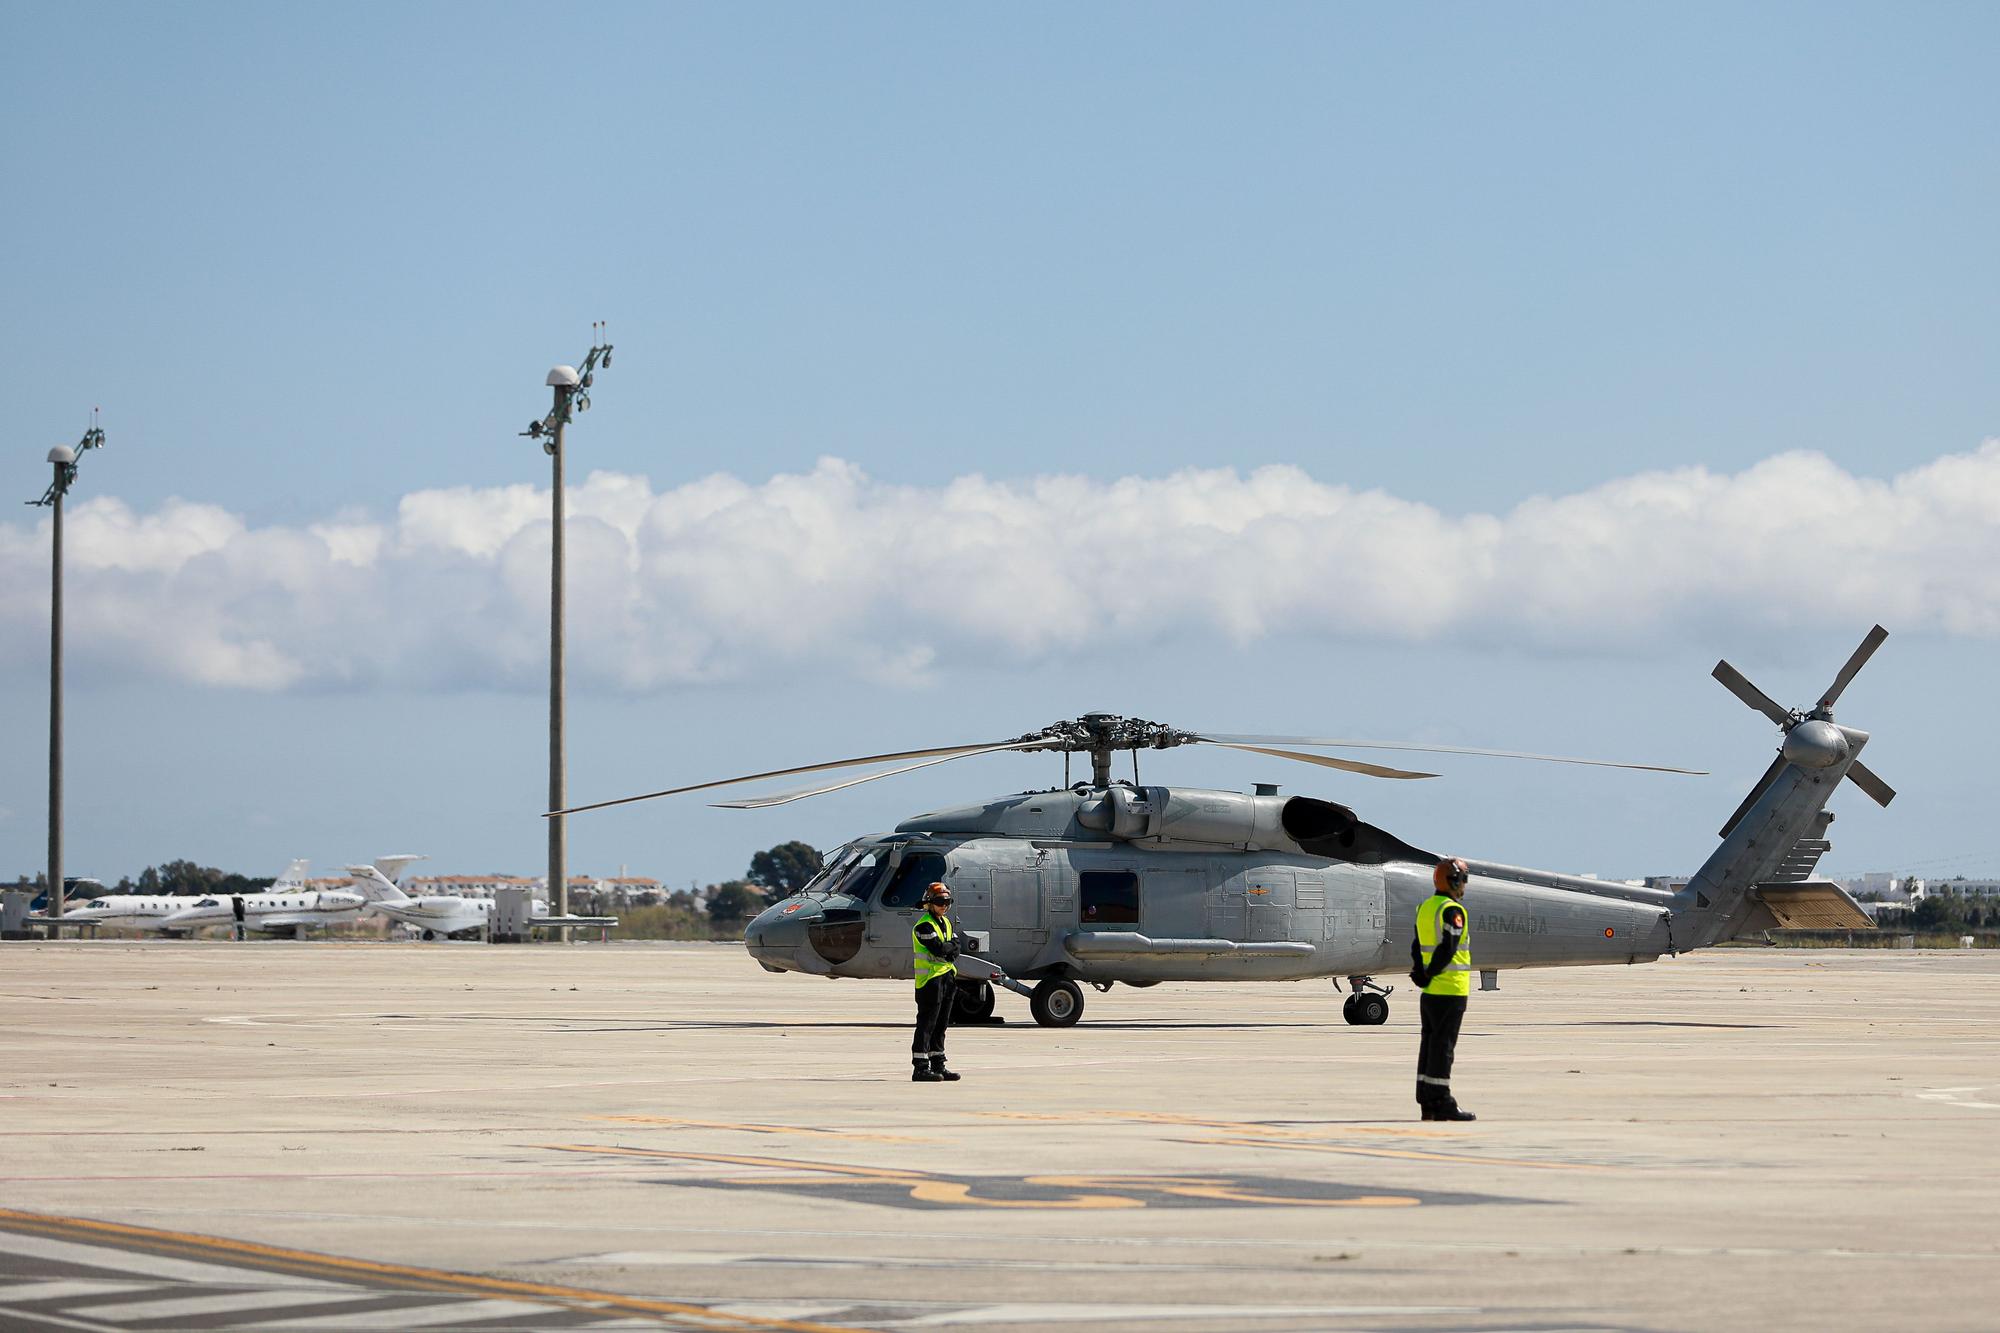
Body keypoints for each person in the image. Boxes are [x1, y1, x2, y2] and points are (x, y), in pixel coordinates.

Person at [1409, 857, 1476, 1121]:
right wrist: (1429, 972)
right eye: (1463, 880)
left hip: (1430, 992)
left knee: (1429, 1044)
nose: (1464, 886)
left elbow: (1417, 945)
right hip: (1450, 989)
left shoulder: (1426, 908)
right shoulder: (1452, 911)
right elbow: (1448, 948)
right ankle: (1442, 1100)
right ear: (1454, 881)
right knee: (1443, 1047)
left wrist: (1420, 974)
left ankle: (1427, 1100)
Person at [911, 882, 963, 1082]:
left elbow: (956, 947)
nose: (944, 906)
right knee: (927, 1024)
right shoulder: (924, 925)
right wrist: (949, 948)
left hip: (947, 978)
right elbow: (938, 949)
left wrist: (949, 948)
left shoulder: (946, 923)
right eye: (940, 902)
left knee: (941, 1024)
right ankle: (920, 1068)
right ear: (930, 903)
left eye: (947, 902)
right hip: (930, 981)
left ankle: (938, 1064)